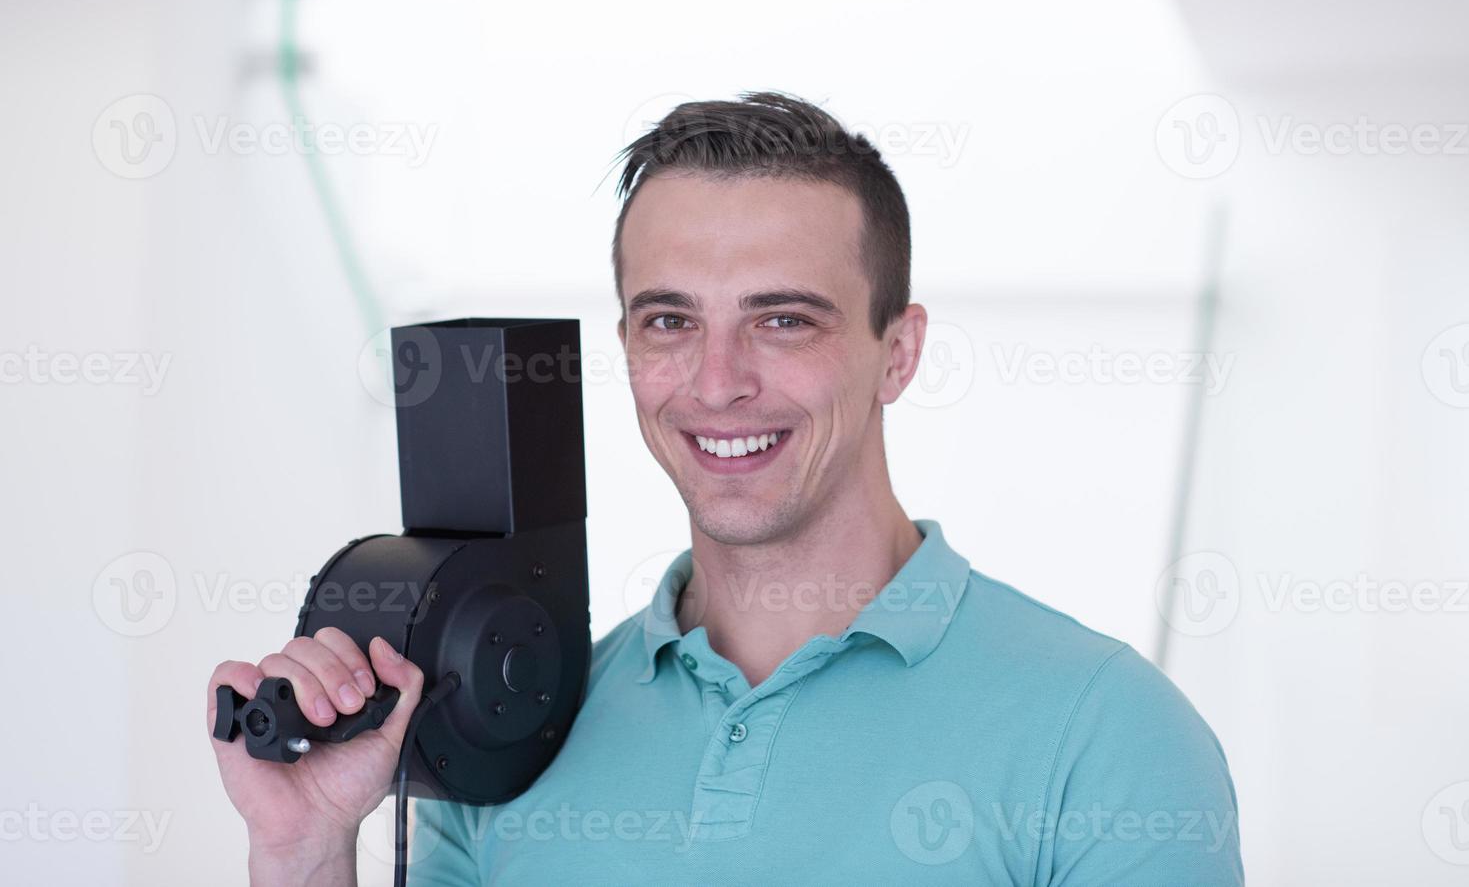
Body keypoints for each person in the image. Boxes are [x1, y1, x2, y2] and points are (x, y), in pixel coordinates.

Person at [209, 92, 1243, 885]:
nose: (715, 381)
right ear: (624, 345)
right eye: (669, 321)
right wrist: (305, 851)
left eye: (782, 318)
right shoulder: (513, 739)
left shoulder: (1109, 735)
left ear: (898, 350)